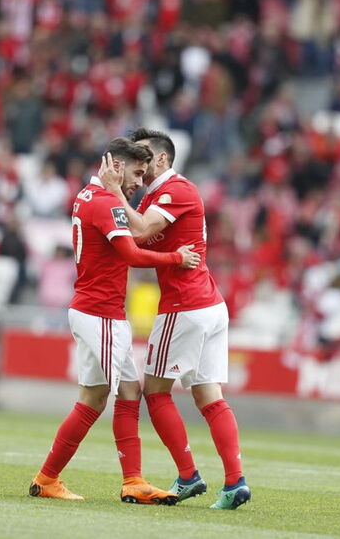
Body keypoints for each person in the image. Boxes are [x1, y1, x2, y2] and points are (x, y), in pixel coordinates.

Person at [29, 138, 201, 503]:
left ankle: (48, 479)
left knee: (98, 397)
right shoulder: (106, 202)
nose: (140, 182)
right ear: (117, 168)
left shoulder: (87, 196)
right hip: (100, 312)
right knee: (122, 393)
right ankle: (131, 481)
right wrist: (175, 258)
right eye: (137, 173)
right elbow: (131, 254)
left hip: (96, 310)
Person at [99, 127, 252, 510]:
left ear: (163, 158)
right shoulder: (155, 195)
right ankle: (235, 483)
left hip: (185, 305)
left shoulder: (177, 189)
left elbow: (142, 229)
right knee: (208, 395)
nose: (141, 161)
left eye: (146, 156)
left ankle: (188, 475)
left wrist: (113, 189)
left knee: (155, 390)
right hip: (207, 303)